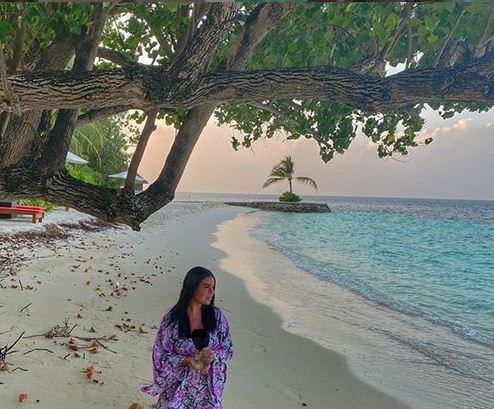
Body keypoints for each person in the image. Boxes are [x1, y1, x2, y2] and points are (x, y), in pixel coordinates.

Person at [141, 266, 234, 409]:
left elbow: (228, 349)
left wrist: (212, 356)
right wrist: (188, 361)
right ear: (192, 287)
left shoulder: (217, 318)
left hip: (207, 394)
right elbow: (160, 356)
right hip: (177, 391)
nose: (212, 292)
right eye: (206, 287)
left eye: (213, 287)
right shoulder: (172, 320)